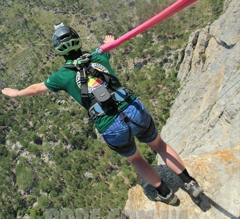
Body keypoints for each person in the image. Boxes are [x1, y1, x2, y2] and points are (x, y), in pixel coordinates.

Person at [2, 23, 203, 205]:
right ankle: (190, 183)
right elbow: (108, 46)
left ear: (58, 50)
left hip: (110, 125)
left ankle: (165, 193)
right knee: (159, 145)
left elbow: (36, 88)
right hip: (132, 109)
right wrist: (108, 42)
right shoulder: (99, 56)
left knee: (136, 159)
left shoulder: (61, 77)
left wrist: (17, 93)